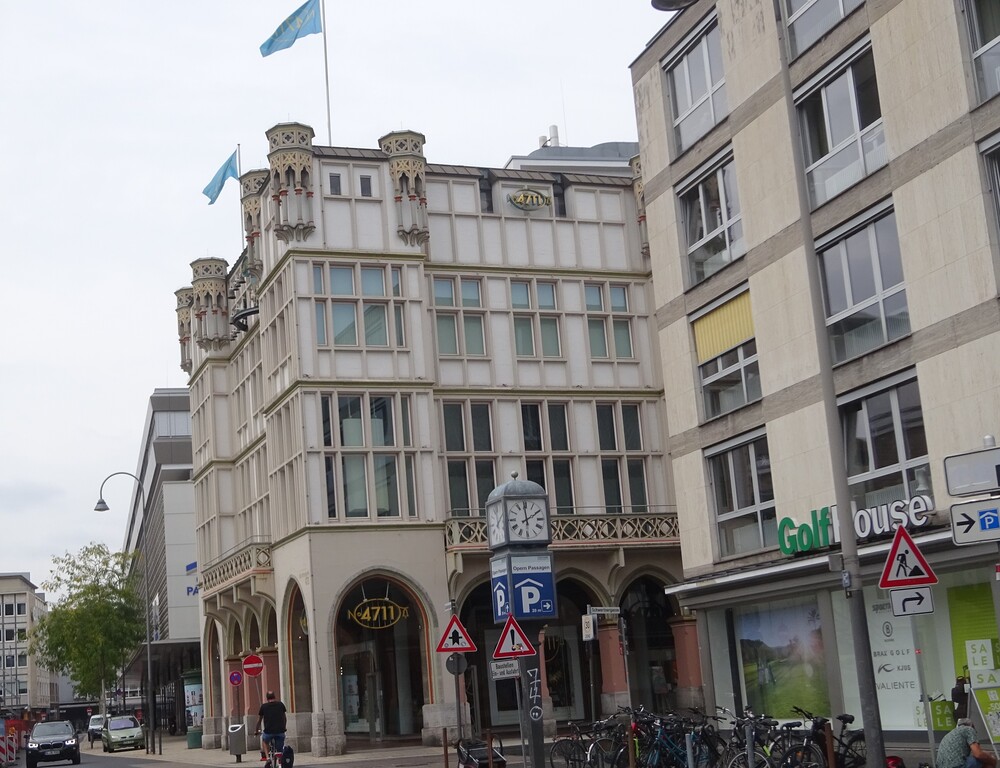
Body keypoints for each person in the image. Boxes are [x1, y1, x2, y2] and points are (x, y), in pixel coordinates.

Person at [255, 691, 287, 763]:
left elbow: (259, 720)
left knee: (265, 741)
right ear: (274, 696)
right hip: (280, 732)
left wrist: (256, 730)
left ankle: (267, 758)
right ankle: (280, 758)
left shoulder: (264, 707)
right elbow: (284, 718)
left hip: (268, 732)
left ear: (267, 698)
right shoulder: (281, 704)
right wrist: (284, 727)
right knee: (280, 747)